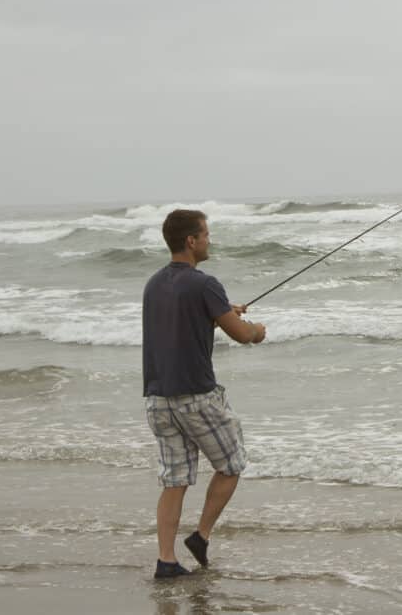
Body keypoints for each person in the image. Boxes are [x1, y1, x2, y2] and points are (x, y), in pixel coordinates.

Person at [142, 208, 266, 579]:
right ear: (191, 241)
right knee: (232, 464)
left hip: (158, 399)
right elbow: (243, 336)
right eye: (206, 235)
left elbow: (180, 316)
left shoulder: (154, 284)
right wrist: (257, 328)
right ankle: (201, 534)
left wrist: (221, 310)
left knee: (174, 480)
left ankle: (166, 560)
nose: (209, 240)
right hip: (196, 398)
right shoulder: (204, 284)